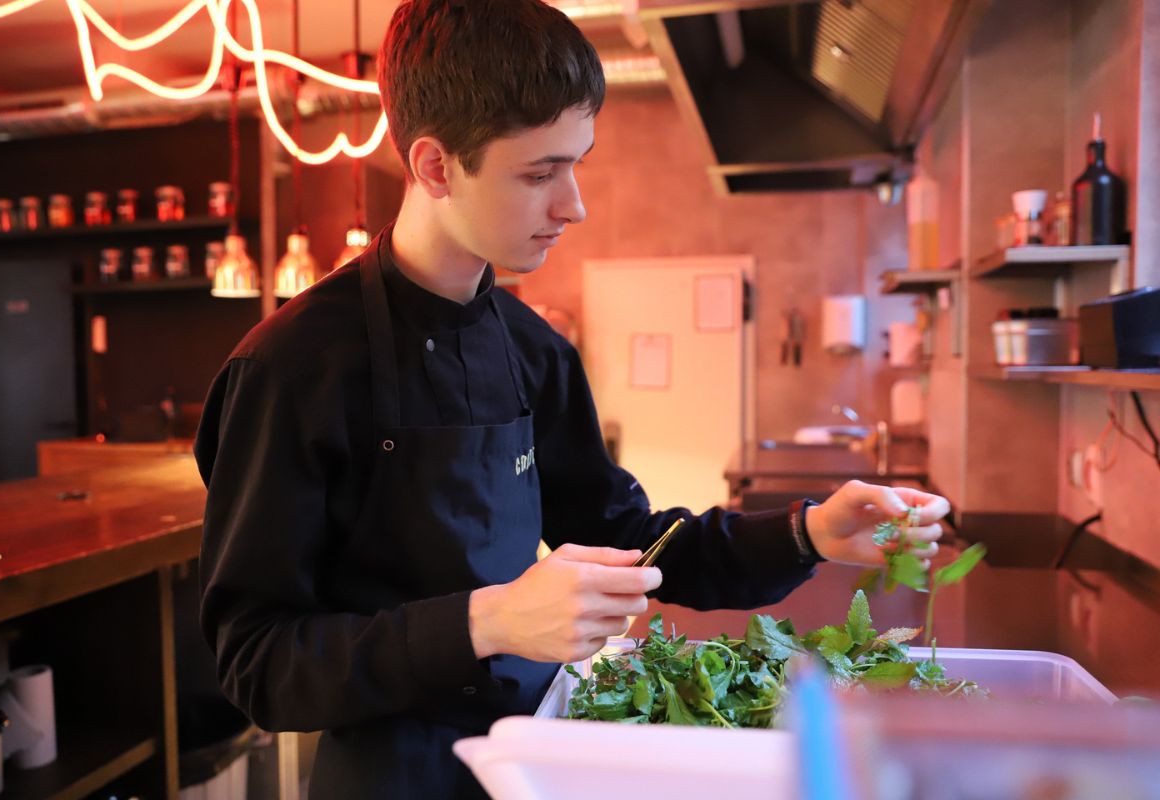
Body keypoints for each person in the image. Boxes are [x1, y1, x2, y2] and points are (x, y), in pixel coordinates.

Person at [193, 0, 949, 796]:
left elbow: (635, 543)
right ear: (435, 167)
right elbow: (257, 664)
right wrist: (488, 622)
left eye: (577, 163)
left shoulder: (533, 351)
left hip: (533, 759)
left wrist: (807, 534)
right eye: (540, 172)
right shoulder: (288, 370)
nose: (574, 204)